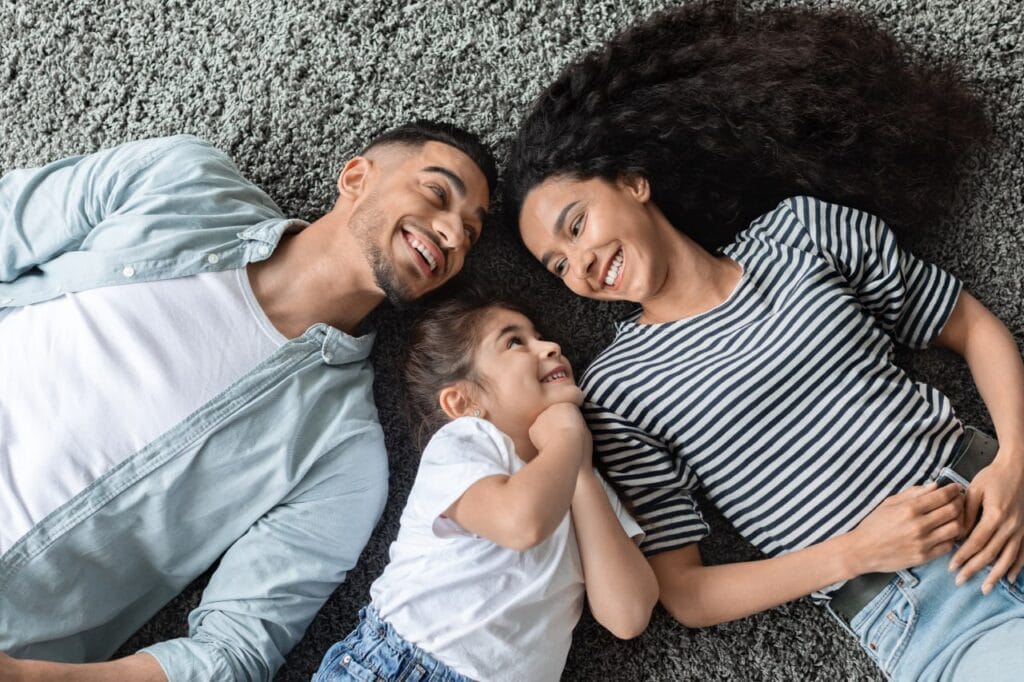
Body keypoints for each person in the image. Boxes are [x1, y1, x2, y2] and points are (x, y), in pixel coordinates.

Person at [507, 2, 1024, 680]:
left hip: (996, 490)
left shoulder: (800, 232)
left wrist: (1014, 460)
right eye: (558, 265)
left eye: (575, 227)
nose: (580, 266)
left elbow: (971, 327)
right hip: (927, 609)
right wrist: (854, 553)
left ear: (634, 182)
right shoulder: (615, 391)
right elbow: (686, 593)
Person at [0, 121, 495, 681]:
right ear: (356, 176)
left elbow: (234, 653)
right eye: (437, 193)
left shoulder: (343, 458)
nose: (454, 234)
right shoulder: (181, 181)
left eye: (471, 234)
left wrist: (30, 678)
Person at [312, 292, 657, 682]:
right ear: (462, 402)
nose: (551, 347)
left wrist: (579, 469)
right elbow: (521, 522)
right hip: (402, 665)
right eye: (515, 342)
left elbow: (628, 615)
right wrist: (565, 436)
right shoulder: (465, 444)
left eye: (540, 336)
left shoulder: (585, 487)